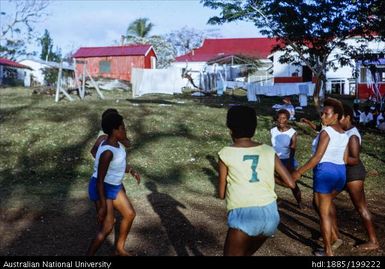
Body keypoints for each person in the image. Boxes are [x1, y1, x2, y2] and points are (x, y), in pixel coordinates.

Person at [218, 105, 296, 256]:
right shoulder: (268, 150)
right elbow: (290, 183)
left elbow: (221, 193)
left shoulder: (225, 153)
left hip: (244, 216)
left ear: (230, 128)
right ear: (254, 127)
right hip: (270, 215)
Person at [292, 98, 349, 256]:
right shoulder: (344, 133)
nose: (322, 116)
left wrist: (299, 172)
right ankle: (335, 237)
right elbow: (344, 158)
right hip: (340, 173)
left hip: (325, 172)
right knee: (323, 205)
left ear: (336, 116)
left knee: (323, 213)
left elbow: (317, 157)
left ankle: (328, 251)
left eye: (326, 114)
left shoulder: (326, 132)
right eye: (322, 113)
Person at [87, 112, 141, 256]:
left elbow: (117, 165)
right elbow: (99, 180)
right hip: (102, 187)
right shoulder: (107, 152)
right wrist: (103, 206)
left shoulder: (117, 144)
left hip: (112, 185)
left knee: (129, 214)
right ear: (114, 130)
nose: (125, 131)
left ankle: (119, 248)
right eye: (122, 128)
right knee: (107, 226)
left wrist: (131, 170)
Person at [339, 104, 379, 251]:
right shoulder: (345, 132)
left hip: (353, 173)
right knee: (323, 200)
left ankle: (373, 241)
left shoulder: (353, 135)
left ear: (348, 117)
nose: (337, 120)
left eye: (340, 117)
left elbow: (354, 159)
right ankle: (330, 232)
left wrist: (338, 157)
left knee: (361, 207)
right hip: (345, 173)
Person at [270, 109, 302, 208]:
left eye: (283, 118)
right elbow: (273, 146)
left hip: (287, 160)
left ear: (287, 119)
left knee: (291, 184)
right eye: (279, 118)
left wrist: (290, 163)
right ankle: (272, 201)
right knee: (268, 181)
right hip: (274, 159)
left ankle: (299, 202)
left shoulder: (292, 132)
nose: (281, 120)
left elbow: (293, 149)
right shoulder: (272, 131)